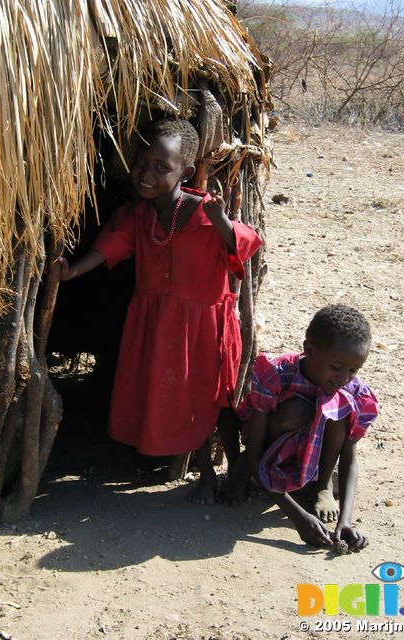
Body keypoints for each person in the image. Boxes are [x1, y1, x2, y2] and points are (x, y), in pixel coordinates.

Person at [57, 117, 262, 504]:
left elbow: (249, 242)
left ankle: (234, 466)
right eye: (142, 163)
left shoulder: (203, 210)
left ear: (184, 171)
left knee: (214, 400)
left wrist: (221, 223)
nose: (146, 174)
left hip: (202, 326)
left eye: (160, 167)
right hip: (158, 323)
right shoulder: (140, 215)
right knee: (176, 397)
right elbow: (110, 247)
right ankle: (202, 471)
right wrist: (73, 271)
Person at [222, 304, 379, 551]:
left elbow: (349, 459)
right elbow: (253, 449)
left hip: (311, 459)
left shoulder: (351, 390)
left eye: (353, 370)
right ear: (309, 350)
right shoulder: (277, 374)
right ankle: (256, 474)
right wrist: (297, 517)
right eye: (337, 367)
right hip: (265, 455)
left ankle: (323, 485)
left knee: (338, 406)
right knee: (298, 409)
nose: (344, 377)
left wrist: (345, 521)